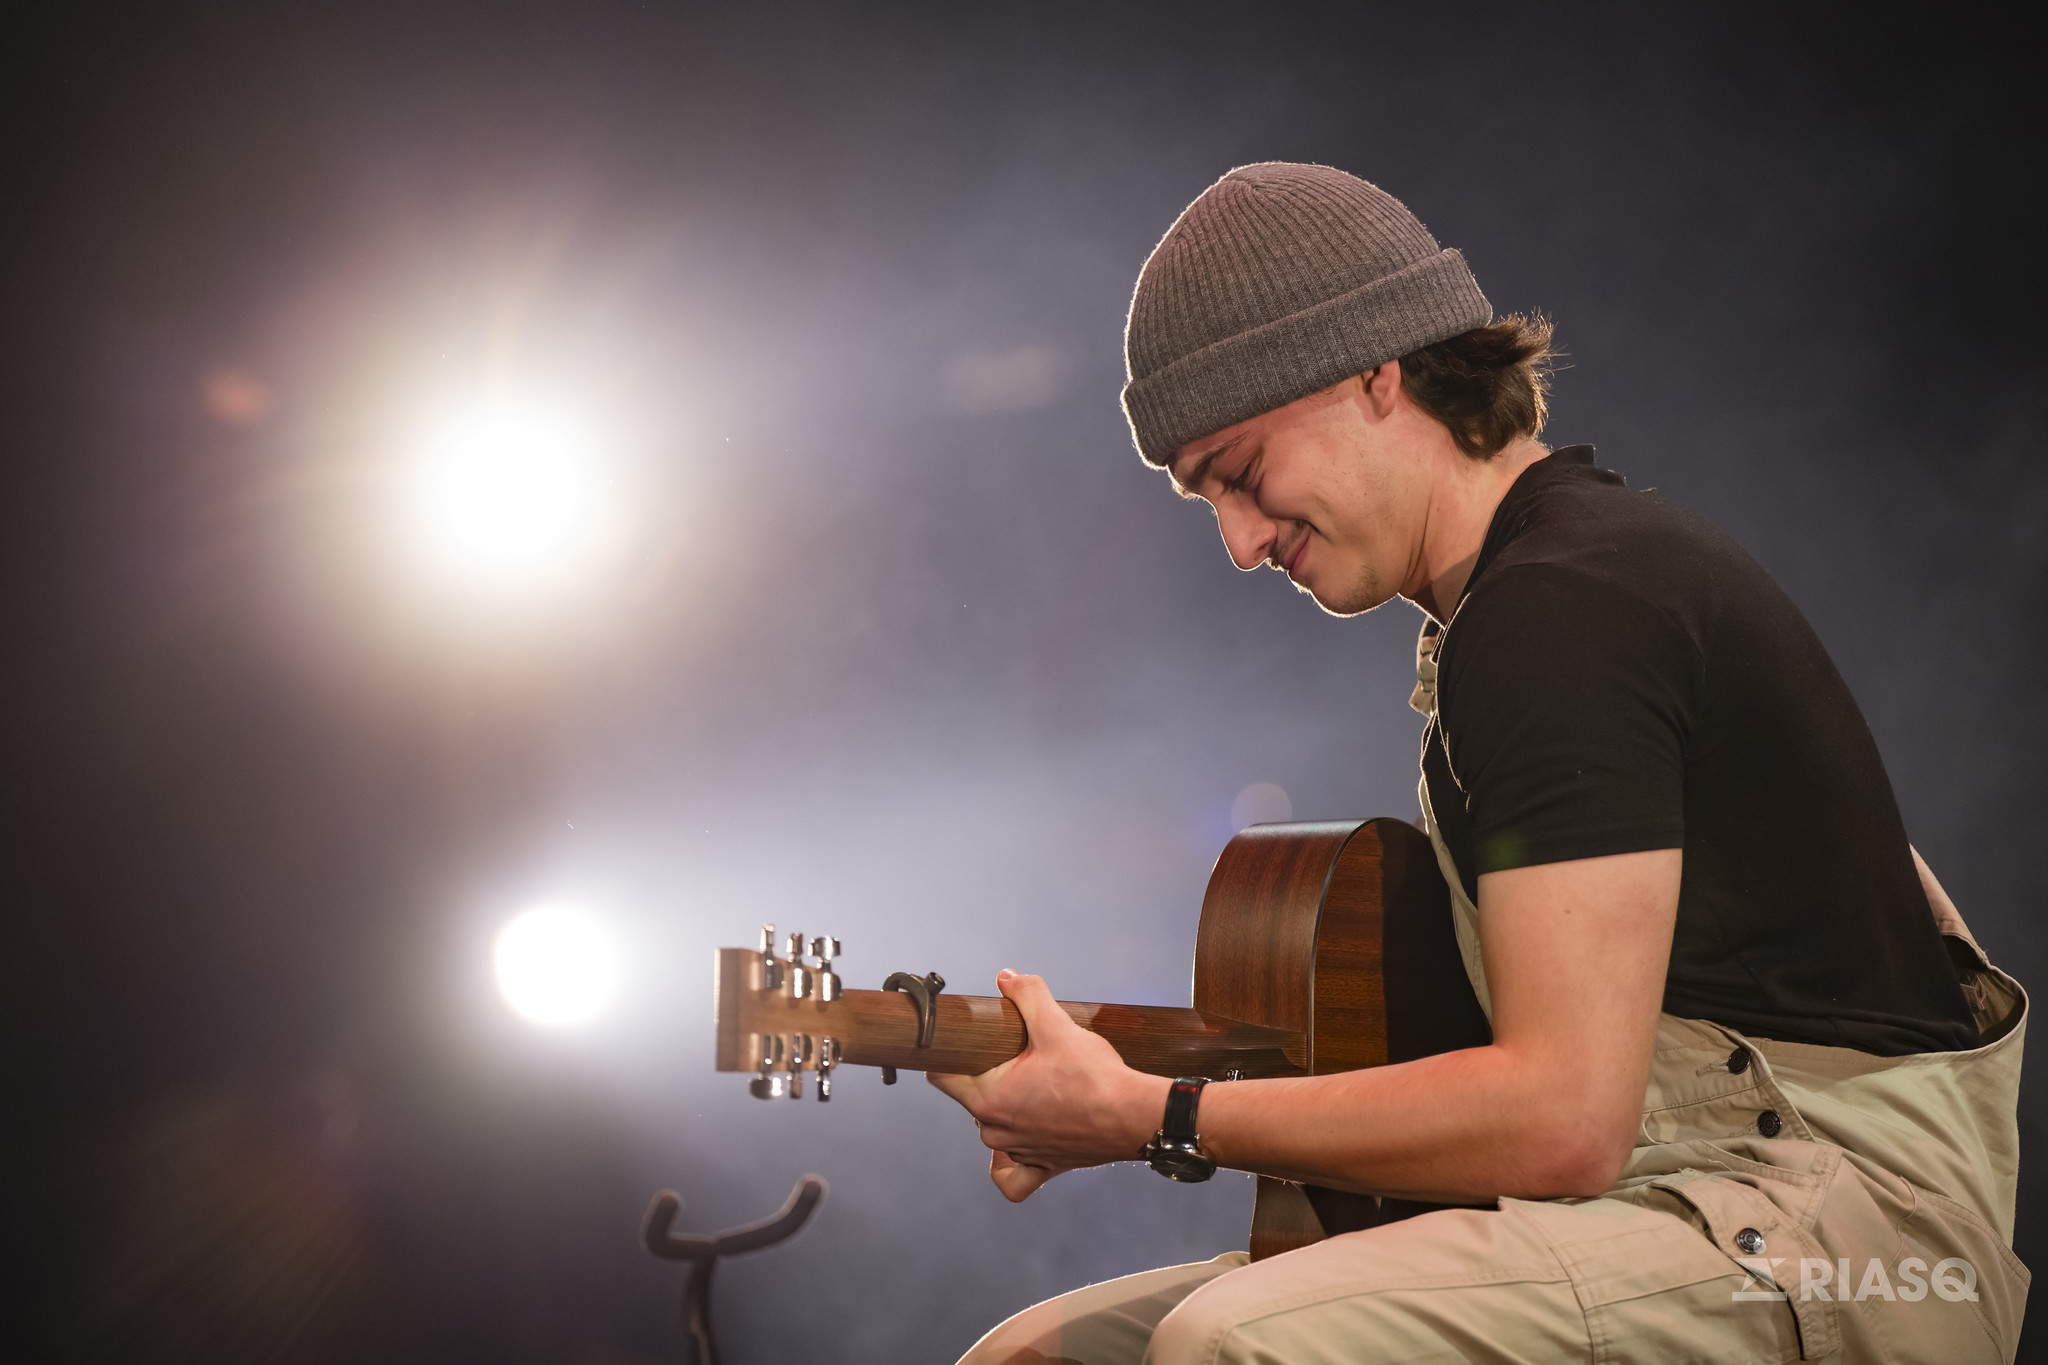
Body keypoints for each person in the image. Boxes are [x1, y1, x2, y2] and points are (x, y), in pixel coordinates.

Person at [928, 163, 2028, 1364]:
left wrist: (1155, 1115)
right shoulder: (1515, 605)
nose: (1238, 543)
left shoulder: (1561, 610)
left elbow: (1561, 1118)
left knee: (1236, 1344)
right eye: (1206, 501)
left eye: (1239, 475)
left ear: (1371, 372)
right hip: (1684, 1194)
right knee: (1033, 1356)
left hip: (1846, 1228)